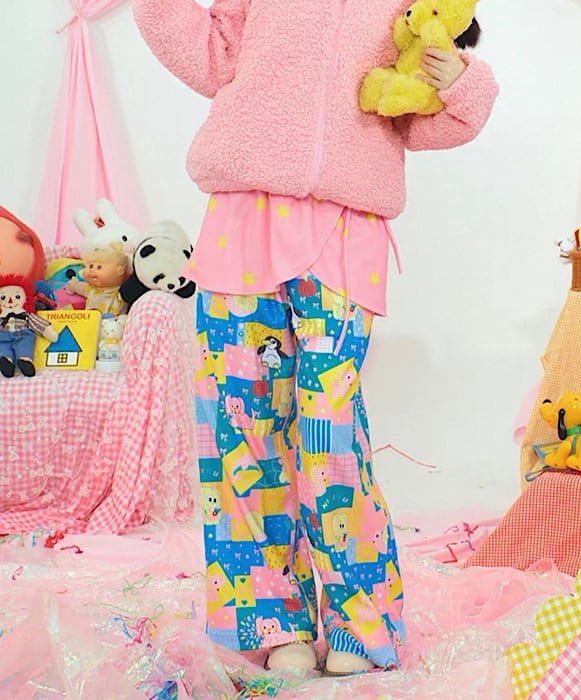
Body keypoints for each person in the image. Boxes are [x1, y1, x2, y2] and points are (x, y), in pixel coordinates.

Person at [132, 0, 498, 676]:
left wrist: (462, 82)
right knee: (241, 424)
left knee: (330, 427)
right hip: (242, 213)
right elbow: (212, 55)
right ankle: (269, 622)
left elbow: (425, 116)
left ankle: (361, 621)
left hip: (346, 225)